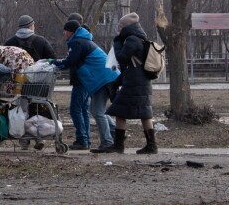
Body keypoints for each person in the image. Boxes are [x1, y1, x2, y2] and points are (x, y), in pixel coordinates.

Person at [49, 19, 119, 153]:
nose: (63, 33)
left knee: (97, 111)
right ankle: (116, 135)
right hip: (108, 76)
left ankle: (107, 142)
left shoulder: (77, 42)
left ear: (71, 31)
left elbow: (70, 61)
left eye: (65, 30)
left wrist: (52, 62)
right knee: (99, 110)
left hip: (103, 78)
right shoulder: (83, 40)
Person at [104, 12, 158, 154]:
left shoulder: (132, 40)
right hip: (141, 81)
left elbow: (122, 58)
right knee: (144, 113)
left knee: (120, 110)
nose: (118, 30)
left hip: (134, 82)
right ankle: (151, 145)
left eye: (120, 27)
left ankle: (118, 145)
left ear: (127, 27)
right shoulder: (139, 38)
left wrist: (116, 42)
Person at [4, 14, 56, 150]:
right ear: (31, 26)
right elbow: (52, 59)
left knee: (21, 111)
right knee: (38, 108)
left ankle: (23, 140)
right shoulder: (41, 41)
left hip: (18, 84)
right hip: (38, 84)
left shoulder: (10, 42)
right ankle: (39, 137)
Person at [65, 13, 91, 150]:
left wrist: (58, 63)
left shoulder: (78, 41)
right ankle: (86, 139)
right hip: (86, 79)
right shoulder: (86, 37)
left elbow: (71, 60)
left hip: (81, 79)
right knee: (83, 109)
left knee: (75, 109)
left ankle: (82, 139)